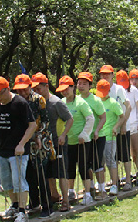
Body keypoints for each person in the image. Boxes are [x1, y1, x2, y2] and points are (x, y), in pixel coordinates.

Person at [0, 76, 37, 222]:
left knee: (19, 182)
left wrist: (22, 144)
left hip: (19, 152)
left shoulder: (20, 104)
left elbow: (32, 125)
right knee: (7, 182)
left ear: (7, 90)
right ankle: (14, 206)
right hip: (3, 151)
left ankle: (22, 212)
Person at [13, 74, 52, 218]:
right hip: (25, 142)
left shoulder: (38, 100)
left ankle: (47, 206)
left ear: (30, 87)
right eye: (19, 90)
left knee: (41, 174)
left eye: (25, 89)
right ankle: (34, 203)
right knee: (29, 174)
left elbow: (45, 121)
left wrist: (39, 136)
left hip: (39, 141)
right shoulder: (16, 101)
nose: (22, 93)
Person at [31, 72, 73, 208]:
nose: (36, 91)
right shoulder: (36, 103)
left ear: (46, 86)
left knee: (62, 173)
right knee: (48, 173)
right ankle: (54, 195)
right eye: (34, 89)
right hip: (43, 144)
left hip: (58, 143)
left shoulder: (56, 103)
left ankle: (66, 201)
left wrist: (63, 135)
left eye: (39, 88)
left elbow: (70, 119)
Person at [57, 75, 94, 209]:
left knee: (83, 167)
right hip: (68, 142)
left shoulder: (81, 103)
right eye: (62, 90)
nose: (64, 92)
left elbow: (90, 119)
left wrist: (84, 134)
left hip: (82, 141)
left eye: (67, 89)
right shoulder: (60, 102)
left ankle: (88, 193)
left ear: (73, 88)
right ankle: (71, 191)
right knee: (69, 167)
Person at [77, 72, 107, 198]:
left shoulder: (96, 100)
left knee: (98, 163)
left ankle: (102, 190)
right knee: (86, 164)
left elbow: (103, 117)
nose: (81, 86)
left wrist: (96, 130)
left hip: (97, 136)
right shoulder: (76, 100)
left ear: (90, 86)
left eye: (84, 84)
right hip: (83, 139)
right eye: (79, 83)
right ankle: (90, 187)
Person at [96, 79, 125, 196]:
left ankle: (114, 184)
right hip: (100, 136)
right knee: (100, 162)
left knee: (110, 160)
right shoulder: (97, 101)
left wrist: (116, 127)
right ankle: (101, 185)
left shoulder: (113, 103)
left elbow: (122, 116)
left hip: (110, 137)